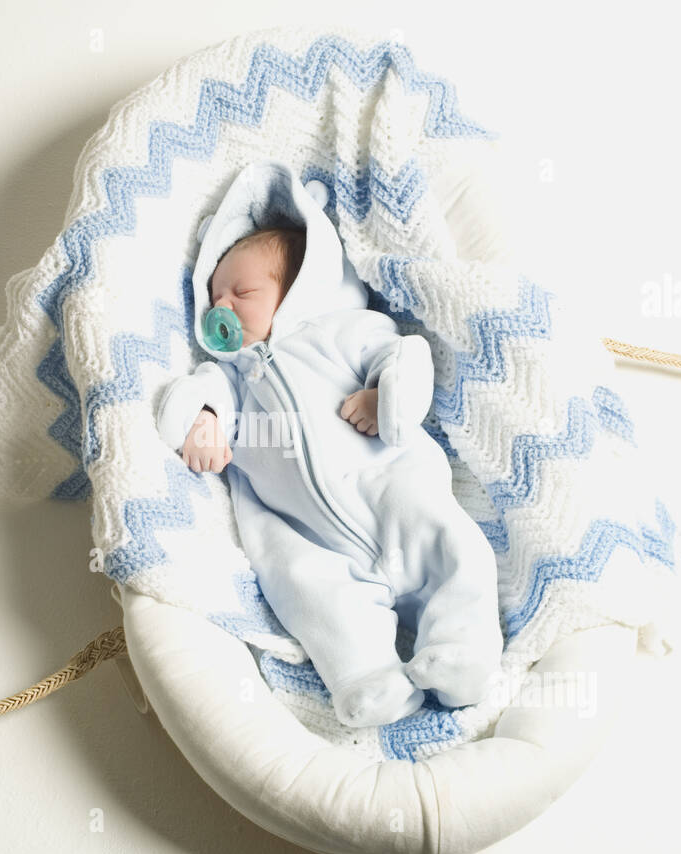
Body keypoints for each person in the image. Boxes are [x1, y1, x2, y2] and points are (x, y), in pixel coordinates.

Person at [156, 161, 503, 728]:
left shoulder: (345, 329)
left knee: (457, 547)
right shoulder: (235, 379)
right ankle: (367, 677)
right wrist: (206, 422)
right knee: (310, 593)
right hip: (310, 539)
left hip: (389, 491)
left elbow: (405, 357)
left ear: (298, 289)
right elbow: (189, 398)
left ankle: (463, 652)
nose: (223, 308)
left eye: (241, 291)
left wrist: (382, 400)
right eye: (214, 297)